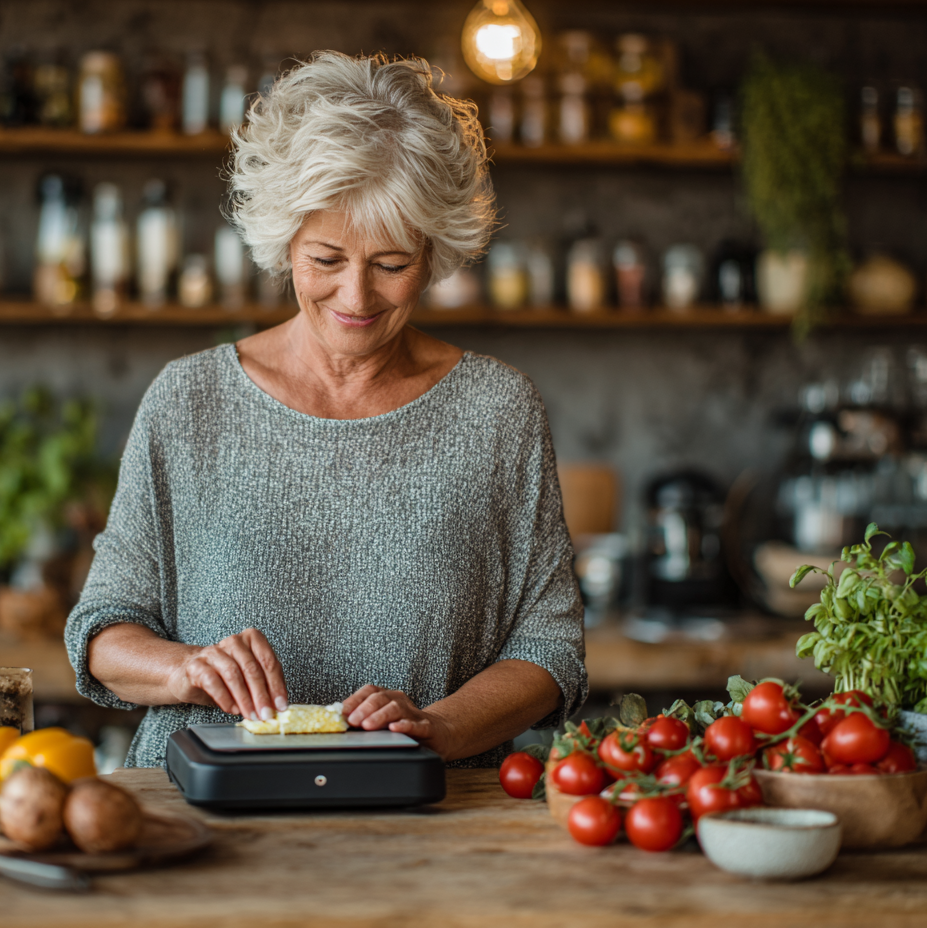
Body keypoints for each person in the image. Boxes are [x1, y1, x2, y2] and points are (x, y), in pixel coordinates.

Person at [66, 51, 586, 768]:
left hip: (426, 812)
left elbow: (550, 648)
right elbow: (102, 632)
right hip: (205, 807)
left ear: (435, 251)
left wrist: (440, 727)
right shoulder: (189, 400)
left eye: (392, 264)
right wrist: (184, 669)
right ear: (284, 241)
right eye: (326, 259)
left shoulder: (497, 410)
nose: (356, 297)